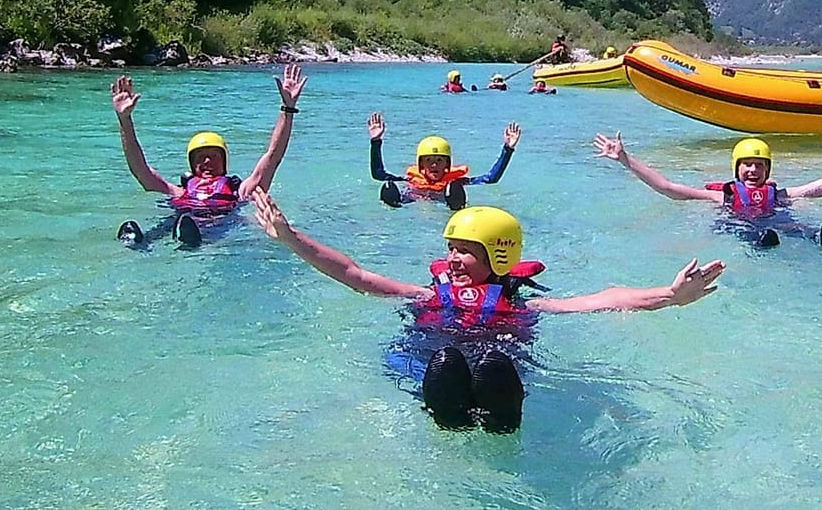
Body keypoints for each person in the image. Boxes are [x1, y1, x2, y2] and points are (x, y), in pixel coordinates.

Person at [250, 191, 724, 432]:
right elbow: (354, 275)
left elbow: (606, 298)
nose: (453, 259)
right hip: (432, 360)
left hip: (495, 362)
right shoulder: (424, 294)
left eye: (465, 251)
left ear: (497, 257)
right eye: (451, 249)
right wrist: (291, 239)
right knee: (444, 363)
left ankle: (499, 418)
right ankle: (447, 412)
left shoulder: (522, 303)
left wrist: (670, 294)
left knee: (495, 365)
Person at [111, 64, 306, 248]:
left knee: (216, 227)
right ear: (191, 164)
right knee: (169, 224)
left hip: (217, 225)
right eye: (201, 157)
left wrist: (287, 109)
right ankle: (139, 241)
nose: (207, 162)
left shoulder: (240, 192)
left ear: (224, 162)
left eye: (214, 156)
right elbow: (139, 168)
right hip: (182, 219)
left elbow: (273, 156)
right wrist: (125, 120)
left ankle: (191, 239)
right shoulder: (179, 192)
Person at [591, 132, 822, 249]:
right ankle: (761, 245)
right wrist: (625, 159)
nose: (753, 170)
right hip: (741, 225)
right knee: (748, 232)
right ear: (737, 169)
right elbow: (670, 188)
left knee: (796, 226)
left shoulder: (778, 195)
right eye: (747, 165)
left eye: (759, 166)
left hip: (774, 221)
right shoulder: (723, 196)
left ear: (768, 171)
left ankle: (821, 240)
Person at [369, 112, 519, 210]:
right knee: (389, 188)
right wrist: (376, 141)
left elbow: (491, 179)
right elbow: (378, 174)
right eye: (429, 160)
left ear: (447, 164)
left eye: (439, 160)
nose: (434, 165)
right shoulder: (410, 179)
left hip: (446, 200)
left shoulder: (458, 181)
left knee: (454, 191)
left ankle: (456, 208)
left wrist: (508, 149)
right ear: (421, 165)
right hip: (413, 199)